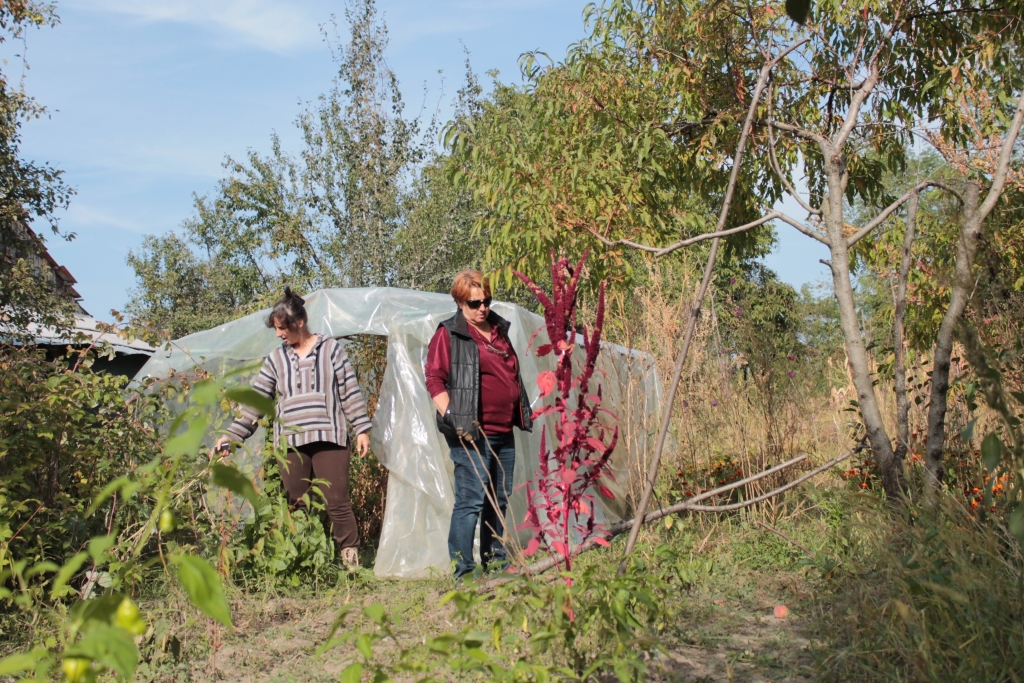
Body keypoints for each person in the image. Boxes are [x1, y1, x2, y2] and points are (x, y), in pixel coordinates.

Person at [214, 288, 372, 569]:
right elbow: (256, 402)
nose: (278, 334)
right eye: (276, 329)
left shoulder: (331, 349)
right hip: (290, 443)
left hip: (329, 438)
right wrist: (231, 436)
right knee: (297, 504)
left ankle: (351, 562)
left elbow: (349, 391)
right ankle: (308, 562)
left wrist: (361, 428)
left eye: (281, 328)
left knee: (336, 501)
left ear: (298, 322)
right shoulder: (276, 359)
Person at [425, 269, 533, 578]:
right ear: (459, 302)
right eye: (474, 303)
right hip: (471, 432)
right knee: (470, 501)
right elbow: (434, 379)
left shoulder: (498, 329)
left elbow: (510, 375)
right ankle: (464, 571)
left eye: (486, 300)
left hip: (503, 431)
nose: (482, 307)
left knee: (497, 500)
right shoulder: (450, 333)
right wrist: (453, 417)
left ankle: (496, 562)